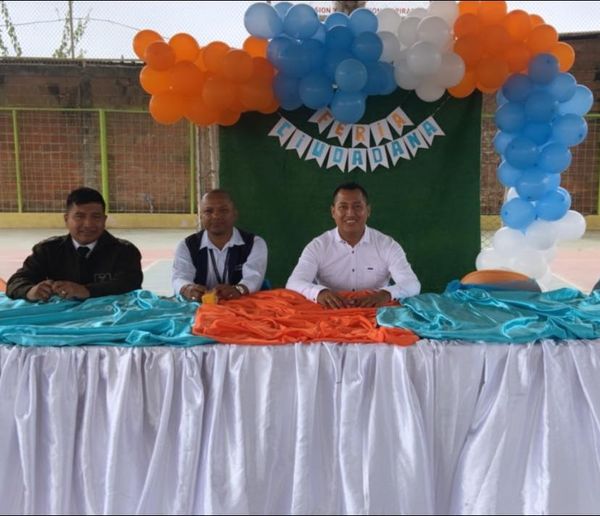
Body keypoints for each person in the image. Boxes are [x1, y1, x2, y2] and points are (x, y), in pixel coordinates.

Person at [286, 182, 420, 308]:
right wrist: (319, 293)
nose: (350, 213)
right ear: (333, 212)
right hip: (330, 314)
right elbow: (294, 283)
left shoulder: (388, 245)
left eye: (357, 206)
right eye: (343, 207)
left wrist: (385, 294)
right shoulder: (318, 246)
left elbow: (412, 284)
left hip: (376, 314)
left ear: (368, 210)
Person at [6, 187, 143, 301]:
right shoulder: (48, 250)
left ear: (104, 219)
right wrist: (30, 291)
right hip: (61, 320)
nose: (88, 224)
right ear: (66, 219)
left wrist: (86, 291)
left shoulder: (124, 251)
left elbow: (130, 283)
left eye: (96, 217)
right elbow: (15, 282)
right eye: (79, 216)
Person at [172, 189, 268, 301]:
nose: (216, 216)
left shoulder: (255, 244)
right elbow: (180, 277)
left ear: (234, 214)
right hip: (200, 307)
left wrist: (238, 289)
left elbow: (254, 277)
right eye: (208, 211)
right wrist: (188, 288)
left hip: (243, 306)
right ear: (201, 216)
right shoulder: (187, 246)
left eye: (223, 210)